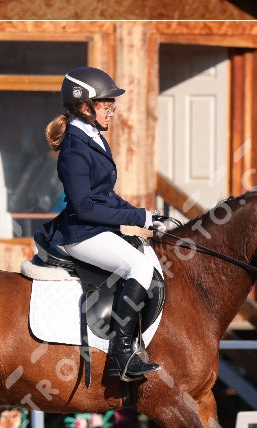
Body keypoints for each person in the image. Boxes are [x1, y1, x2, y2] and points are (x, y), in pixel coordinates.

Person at [40, 66, 166, 381]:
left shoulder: (92, 136)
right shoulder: (74, 148)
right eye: (105, 105)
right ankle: (121, 355)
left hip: (97, 229)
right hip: (82, 234)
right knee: (139, 268)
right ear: (84, 107)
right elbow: (85, 206)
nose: (111, 111)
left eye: (111, 106)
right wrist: (140, 218)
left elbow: (104, 195)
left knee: (147, 258)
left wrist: (147, 215)